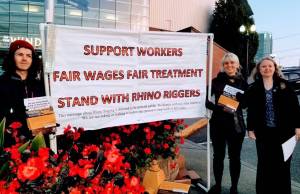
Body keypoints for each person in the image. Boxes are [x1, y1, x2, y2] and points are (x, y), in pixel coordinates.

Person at [246, 56, 300, 194]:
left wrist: (298, 126)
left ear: (275, 68)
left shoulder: (285, 85)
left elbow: (295, 107)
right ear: (259, 69)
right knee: (264, 166)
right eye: (263, 66)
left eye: (270, 66)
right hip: (264, 133)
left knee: (283, 166)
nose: (267, 68)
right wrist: (250, 129)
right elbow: (251, 109)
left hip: (285, 133)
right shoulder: (254, 88)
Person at [206, 52, 248, 194]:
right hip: (218, 124)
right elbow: (206, 102)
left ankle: (234, 187)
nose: (229, 65)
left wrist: (242, 99)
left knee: (235, 158)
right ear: (223, 66)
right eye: (226, 63)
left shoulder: (243, 82)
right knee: (218, 156)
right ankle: (217, 185)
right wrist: (217, 107)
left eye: (232, 63)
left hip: (236, 126)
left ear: (237, 64)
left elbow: (246, 104)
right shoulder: (216, 81)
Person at [0, 40, 45, 146]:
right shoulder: (2, 83)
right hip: (10, 146)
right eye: (20, 54)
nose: (24, 58)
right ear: (12, 57)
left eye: (29, 55)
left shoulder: (39, 85)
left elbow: (43, 115)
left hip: (37, 143)